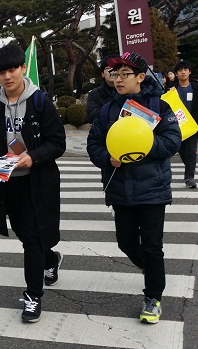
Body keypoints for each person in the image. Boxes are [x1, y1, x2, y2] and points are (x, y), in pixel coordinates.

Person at [87, 52, 181, 324]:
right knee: (126, 242)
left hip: (152, 189)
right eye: (115, 74)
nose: (118, 79)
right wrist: (108, 157)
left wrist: (141, 147)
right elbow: (94, 146)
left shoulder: (160, 107)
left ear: (141, 77)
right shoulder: (107, 111)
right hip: (120, 189)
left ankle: (153, 296)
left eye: (125, 74)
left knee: (152, 246)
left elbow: (172, 142)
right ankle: (153, 271)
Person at [0, 44, 66, 323]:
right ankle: (50, 260)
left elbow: (58, 143)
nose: (7, 76)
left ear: (23, 68)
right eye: (1, 72)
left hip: (37, 181)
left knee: (32, 239)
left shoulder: (40, 101)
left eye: (12, 69)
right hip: (6, 182)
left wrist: (33, 157)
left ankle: (33, 296)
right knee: (27, 235)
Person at [171, 61, 198, 188]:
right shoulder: (171, 89)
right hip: (177, 125)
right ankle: (190, 170)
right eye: (180, 70)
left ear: (189, 71)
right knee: (182, 151)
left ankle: (189, 178)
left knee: (191, 152)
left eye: (186, 69)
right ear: (176, 73)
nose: (183, 72)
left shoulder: (195, 87)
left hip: (192, 125)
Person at [87, 55, 120, 124]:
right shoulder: (94, 95)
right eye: (108, 68)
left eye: (115, 68)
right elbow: (92, 117)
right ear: (102, 74)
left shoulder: (129, 90)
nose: (112, 71)